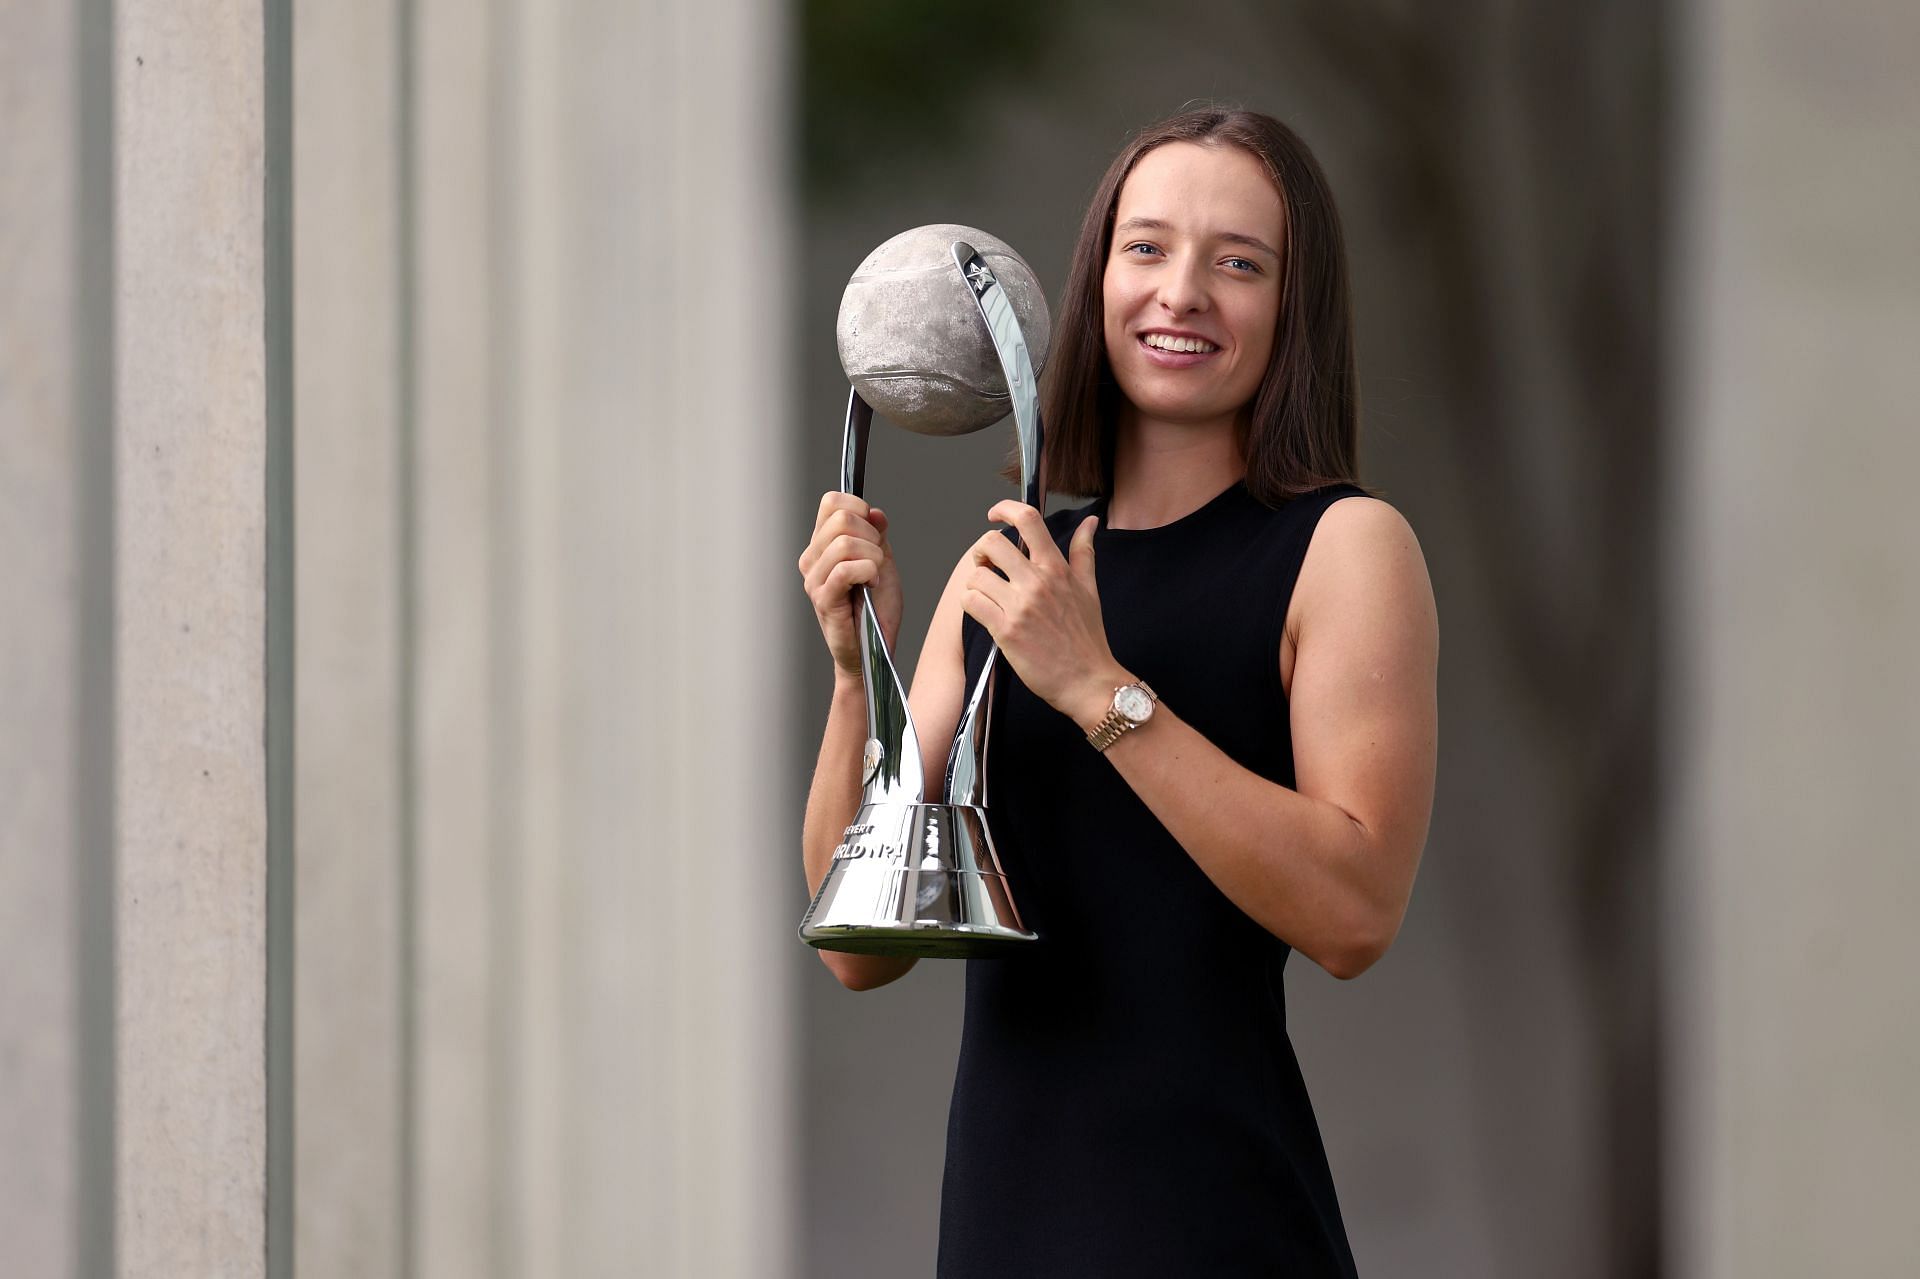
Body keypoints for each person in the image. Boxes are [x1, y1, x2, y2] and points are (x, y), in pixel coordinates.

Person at [796, 107, 1437, 1277]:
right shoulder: (1011, 567)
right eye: (1146, 248)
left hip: (1214, 1222)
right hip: (1002, 1217)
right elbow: (860, 951)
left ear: (1295, 308)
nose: (1182, 292)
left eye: (1238, 262)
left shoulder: (1345, 549)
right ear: (1095, 281)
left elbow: (1356, 914)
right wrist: (858, 678)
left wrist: (1098, 688)